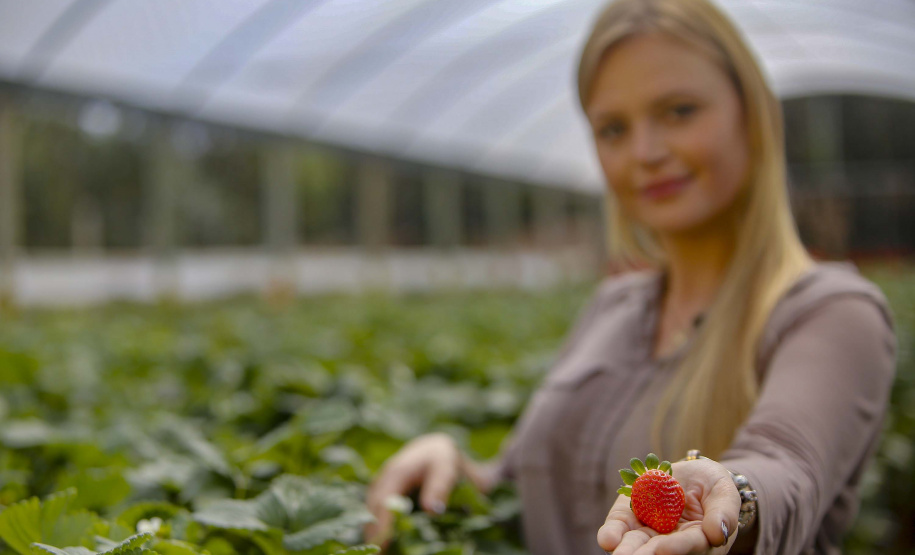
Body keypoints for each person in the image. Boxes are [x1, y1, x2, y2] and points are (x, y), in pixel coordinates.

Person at [365, 0, 898, 553]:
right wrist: (457, 469)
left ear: (752, 113)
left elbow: (786, 466)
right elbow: (528, 488)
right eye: (614, 128)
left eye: (679, 111)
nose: (645, 152)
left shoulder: (832, 312)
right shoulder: (612, 307)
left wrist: (731, 495)